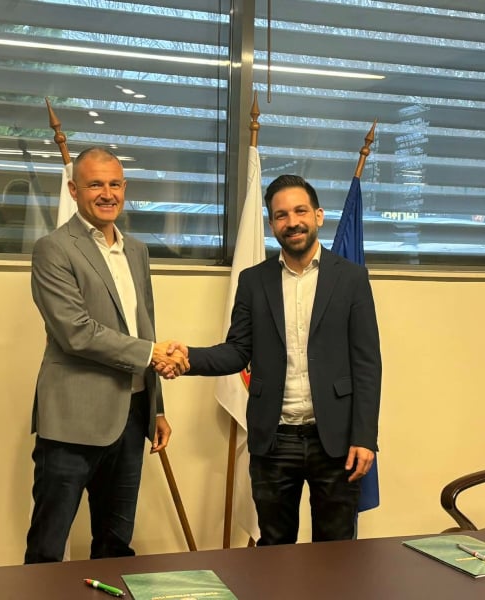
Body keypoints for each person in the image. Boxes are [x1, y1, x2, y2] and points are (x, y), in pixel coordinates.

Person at [164, 174, 382, 545]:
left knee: (335, 552)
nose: (292, 222)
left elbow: (367, 364)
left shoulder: (351, 279)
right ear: (271, 224)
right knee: (275, 551)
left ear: (318, 216)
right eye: (281, 215)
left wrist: (365, 437)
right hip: (274, 440)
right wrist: (189, 357)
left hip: (336, 441)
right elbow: (237, 350)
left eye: (300, 211)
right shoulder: (253, 281)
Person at [24, 146, 188, 563]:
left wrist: (156, 409)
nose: (107, 193)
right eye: (95, 184)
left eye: (115, 184)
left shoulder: (137, 251)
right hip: (72, 422)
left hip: (132, 417)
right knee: (47, 549)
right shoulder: (53, 249)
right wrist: (152, 353)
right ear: (73, 189)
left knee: (115, 548)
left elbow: (144, 326)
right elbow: (76, 333)